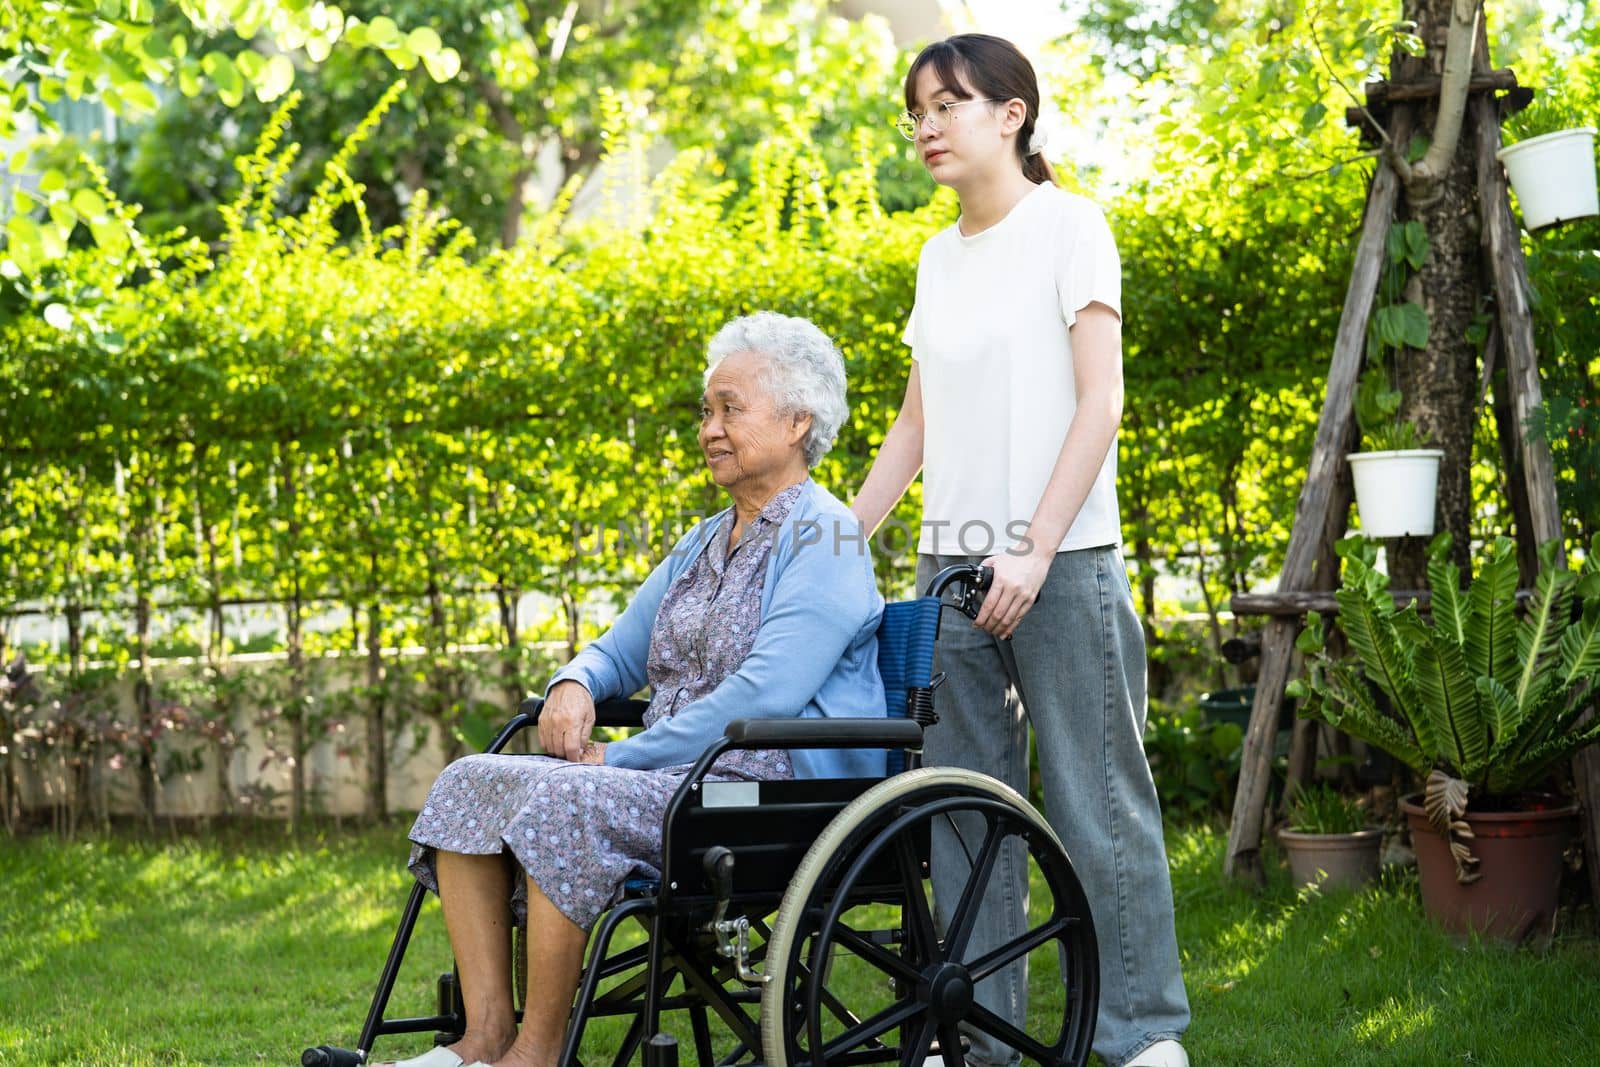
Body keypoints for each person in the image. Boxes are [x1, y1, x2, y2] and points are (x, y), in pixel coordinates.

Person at [385, 311, 886, 1067]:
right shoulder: (706, 538)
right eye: (706, 411)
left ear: (797, 422)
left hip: (764, 788)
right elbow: (621, 647)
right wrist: (573, 684)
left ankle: (538, 1050)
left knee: (570, 799)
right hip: (674, 777)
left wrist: (622, 759)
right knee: (468, 780)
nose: (709, 428)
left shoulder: (829, 536)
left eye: (729, 409)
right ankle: (482, 1038)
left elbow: (762, 698)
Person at [850, 34, 1191, 1067]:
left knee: (1096, 806)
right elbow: (915, 426)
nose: (925, 125)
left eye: (948, 103)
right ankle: (982, 1033)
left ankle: (1139, 1035)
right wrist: (831, 541)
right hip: (946, 574)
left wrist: (1035, 550)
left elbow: (1102, 399)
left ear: (1012, 114)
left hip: (1062, 562)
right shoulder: (935, 255)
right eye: (916, 108)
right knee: (960, 813)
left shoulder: (1068, 227)